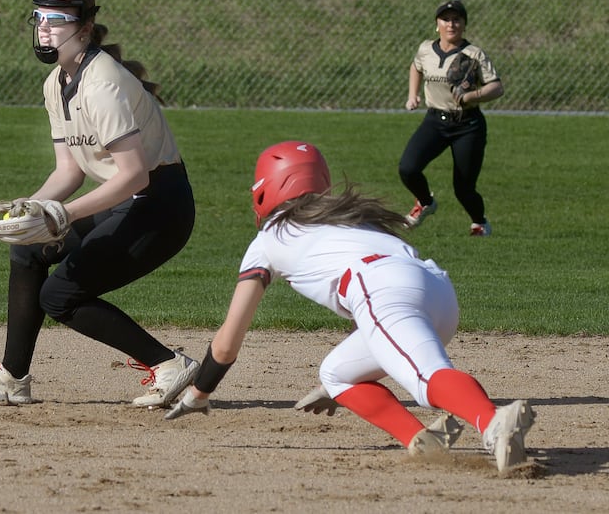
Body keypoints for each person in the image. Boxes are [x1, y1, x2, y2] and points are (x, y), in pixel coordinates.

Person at [165, 141, 536, 473]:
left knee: (426, 379)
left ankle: (492, 422)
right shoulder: (352, 215)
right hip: (436, 292)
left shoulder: (268, 238)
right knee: (337, 374)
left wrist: (199, 394)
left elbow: (227, 344)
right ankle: (423, 440)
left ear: (266, 190)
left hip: (382, 291)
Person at [0, 0, 198, 408]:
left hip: (160, 208)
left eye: (57, 20)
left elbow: (136, 175)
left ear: (84, 29)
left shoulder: (103, 83)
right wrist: (31, 207)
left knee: (60, 295)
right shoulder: (56, 84)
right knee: (27, 250)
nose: (45, 28)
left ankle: (170, 364)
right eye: (40, 19)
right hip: (127, 200)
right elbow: (69, 170)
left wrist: (61, 216)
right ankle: (12, 377)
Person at [400, 0, 504, 236]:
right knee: (408, 168)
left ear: (464, 25)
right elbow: (415, 67)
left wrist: (471, 96)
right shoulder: (426, 49)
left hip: (468, 124)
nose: (451, 24)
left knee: (464, 188)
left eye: (457, 19)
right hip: (435, 120)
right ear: (437, 24)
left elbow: (497, 87)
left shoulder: (473, 54)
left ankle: (479, 223)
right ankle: (426, 202)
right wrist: (412, 95)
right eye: (446, 19)